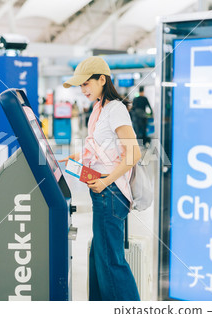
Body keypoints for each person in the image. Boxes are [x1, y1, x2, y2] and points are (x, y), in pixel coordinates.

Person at [60, 56, 141, 301]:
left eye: (86, 84)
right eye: (80, 85)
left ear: (102, 80)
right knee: (100, 258)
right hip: (103, 192)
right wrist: (74, 156)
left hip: (111, 193)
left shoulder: (114, 109)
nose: (83, 89)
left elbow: (133, 153)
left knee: (111, 264)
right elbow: (101, 149)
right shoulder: (100, 108)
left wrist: (105, 181)